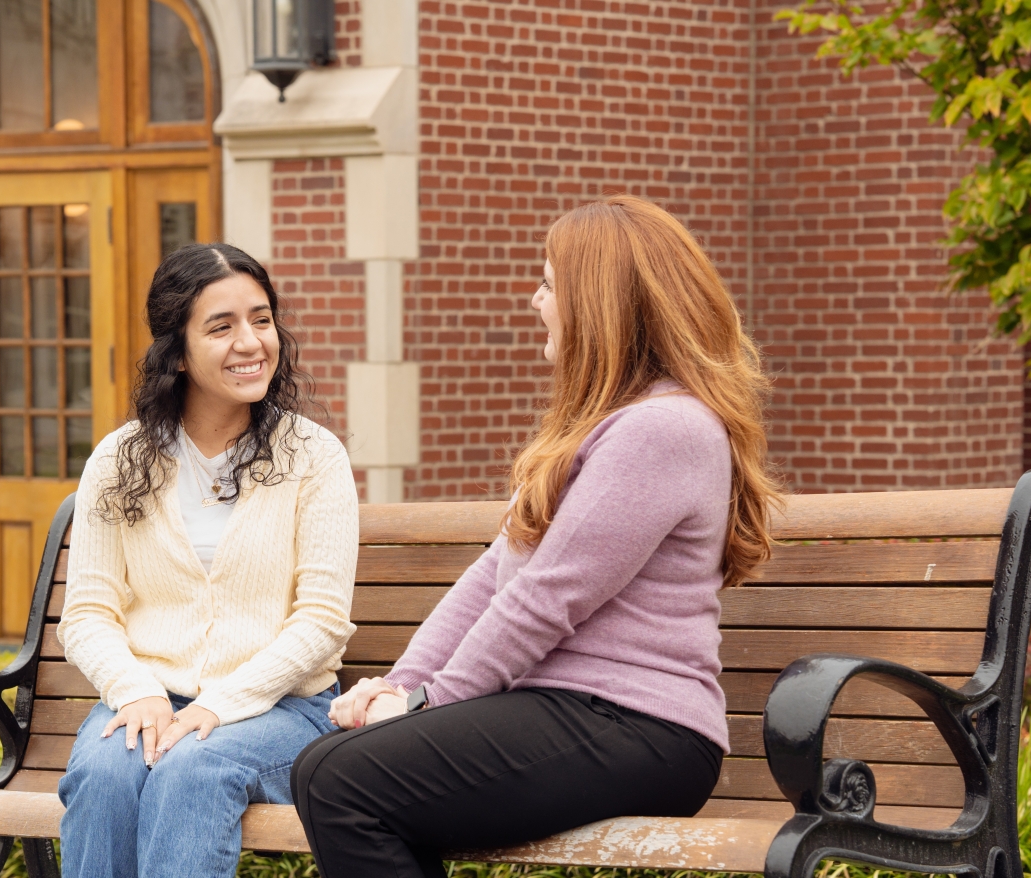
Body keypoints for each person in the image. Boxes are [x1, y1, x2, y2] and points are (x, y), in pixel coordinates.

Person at [290, 196, 780, 877]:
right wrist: (401, 687)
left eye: (549, 284)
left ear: (599, 302)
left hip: (638, 725)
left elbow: (550, 597)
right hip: (567, 711)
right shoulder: (608, 424)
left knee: (341, 782)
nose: (534, 299)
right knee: (327, 767)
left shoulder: (662, 430)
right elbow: (491, 581)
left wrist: (428, 702)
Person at [55, 243, 359, 878]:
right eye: (221, 327)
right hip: (148, 698)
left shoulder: (312, 457)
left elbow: (322, 622)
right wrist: (136, 690)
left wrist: (217, 706)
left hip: (282, 708)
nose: (251, 342)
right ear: (178, 350)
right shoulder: (119, 460)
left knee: (194, 767)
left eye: (262, 318)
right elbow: (86, 614)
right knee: (105, 775)